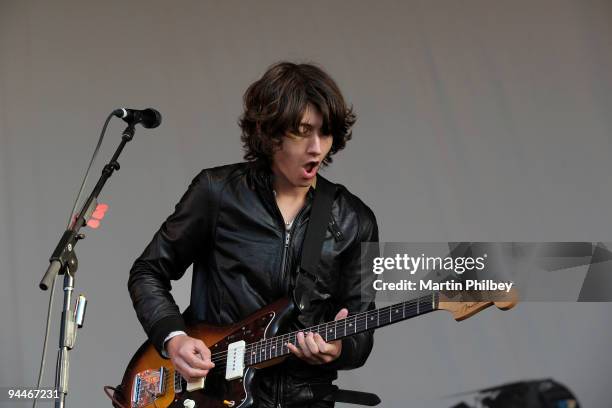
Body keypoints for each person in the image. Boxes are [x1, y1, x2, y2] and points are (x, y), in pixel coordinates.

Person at [128, 61, 379, 408]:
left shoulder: (354, 219)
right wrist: (175, 339)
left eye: (325, 132)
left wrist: (339, 348)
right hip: (211, 396)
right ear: (270, 133)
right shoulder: (216, 192)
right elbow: (148, 272)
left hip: (305, 400)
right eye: (302, 131)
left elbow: (362, 329)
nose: (317, 148)